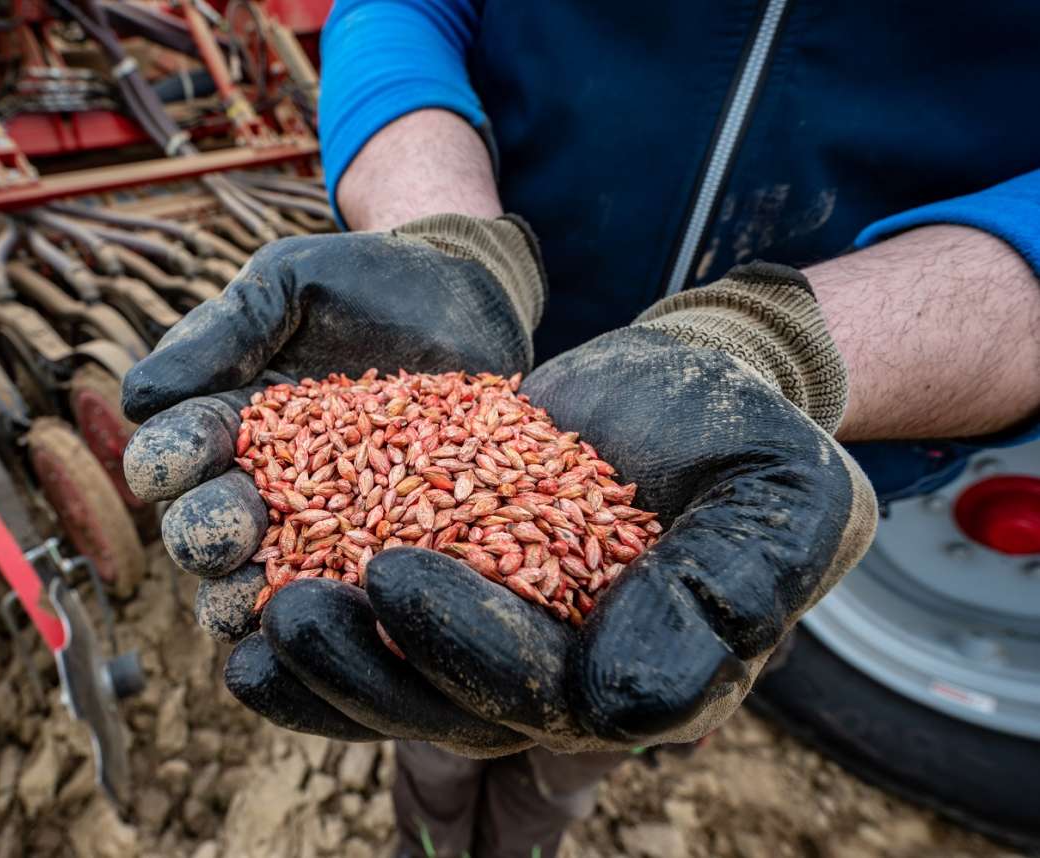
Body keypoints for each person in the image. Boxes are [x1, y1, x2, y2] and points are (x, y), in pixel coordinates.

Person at [120, 3, 1040, 855]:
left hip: (773, 446)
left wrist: (778, 350)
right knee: (410, 686)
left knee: (627, 687)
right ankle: (432, 832)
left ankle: (534, 827)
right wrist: (444, 240)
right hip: (497, 317)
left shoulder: (741, 457)